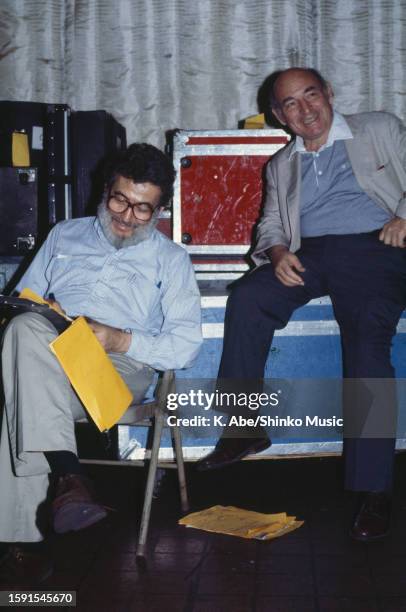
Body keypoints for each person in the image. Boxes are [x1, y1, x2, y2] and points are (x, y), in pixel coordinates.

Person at [196, 67, 406, 542]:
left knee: (367, 348)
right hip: (309, 255)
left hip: (376, 249)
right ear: (279, 116)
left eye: (311, 95)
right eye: (291, 103)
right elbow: (270, 225)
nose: (306, 109)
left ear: (329, 93)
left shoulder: (379, 127)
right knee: (248, 298)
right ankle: (244, 428)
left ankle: (374, 490)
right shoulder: (280, 164)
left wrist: (403, 216)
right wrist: (276, 253)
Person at [0, 143, 202, 582]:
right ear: (104, 189)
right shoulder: (63, 235)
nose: (127, 217)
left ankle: (24, 537)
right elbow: (22, 302)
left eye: (143, 209)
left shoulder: (171, 259)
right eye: (119, 200)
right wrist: (40, 311)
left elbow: (186, 346)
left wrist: (119, 338)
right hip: (48, 359)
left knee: (17, 386)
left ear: (161, 209)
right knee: (23, 333)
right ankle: (71, 482)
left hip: (115, 370)